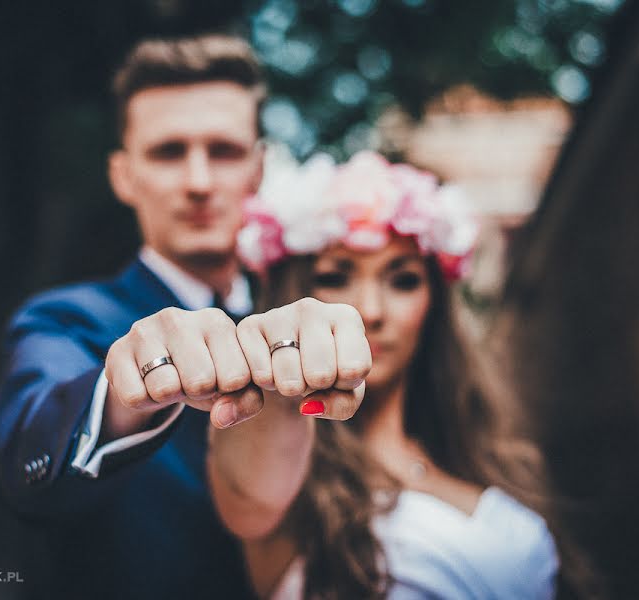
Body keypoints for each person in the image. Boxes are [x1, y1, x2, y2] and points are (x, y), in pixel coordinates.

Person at [0, 34, 336, 598]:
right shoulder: (64, 320)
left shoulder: (311, 324)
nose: (198, 182)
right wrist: (125, 394)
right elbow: (31, 461)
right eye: (168, 152)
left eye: (223, 151)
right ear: (124, 175)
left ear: (258, 167)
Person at [208, 150, 561, 599]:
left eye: (403, 281)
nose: (370, 312)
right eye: (336, 278)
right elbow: (248, 493)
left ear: (433, 307)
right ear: (294, 299)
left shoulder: (495, 462)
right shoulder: (281, 478)